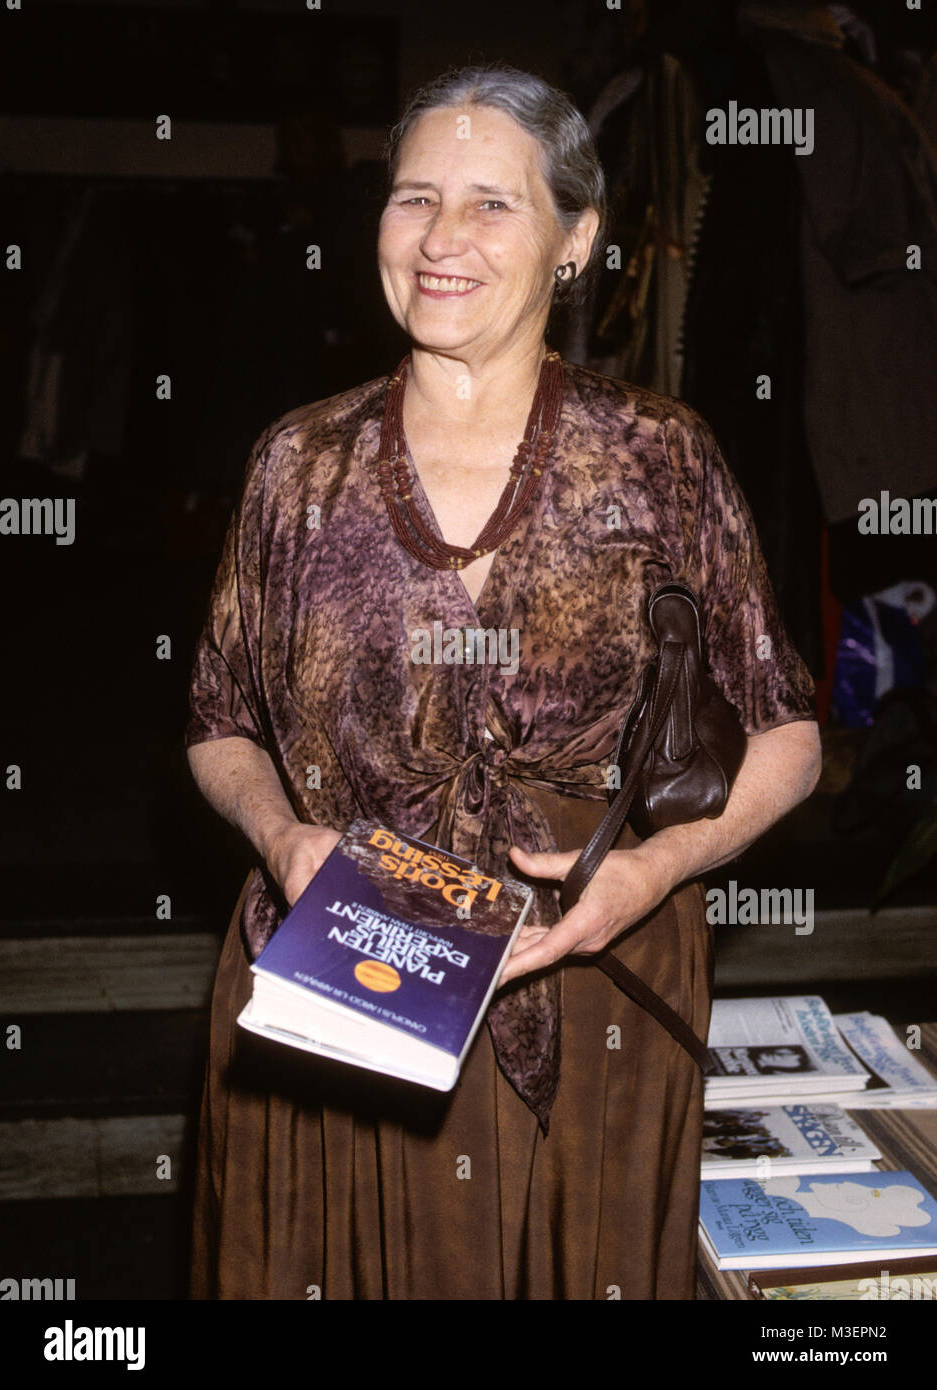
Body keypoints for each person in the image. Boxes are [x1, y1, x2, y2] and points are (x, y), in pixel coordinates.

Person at [185, 63, 821, 1301]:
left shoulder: (659, 457)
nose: (440, 240)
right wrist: (279, 832)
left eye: (492, 204)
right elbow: (218, 725)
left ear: (576, 239)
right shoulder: (295, 467)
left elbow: (787, 734)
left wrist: (652, 869)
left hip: (591, 974)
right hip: (343, 980)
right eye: (414, 197)